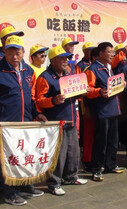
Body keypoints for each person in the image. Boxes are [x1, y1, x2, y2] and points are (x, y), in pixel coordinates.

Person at [0, 36, 47, 206]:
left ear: (23, 52)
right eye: (10, 52)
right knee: (9, 159)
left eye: (17, 52)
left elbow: (31, 97)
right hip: (4, 124)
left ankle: (27, 186)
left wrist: (37, 113)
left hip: (25, 123)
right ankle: (10, 193)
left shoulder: (29, 71)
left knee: (26, 154)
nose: (14, 56)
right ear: (4, 52)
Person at [35, 45, 88, 196]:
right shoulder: (45, 78)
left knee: (73, 151)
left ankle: (70, 177)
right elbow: (39, 100)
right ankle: (54, 183)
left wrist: (82, 93)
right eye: (62, 58)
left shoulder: (68, 75)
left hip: (71, 119)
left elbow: (73, 95)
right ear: (52, 60)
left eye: (67, 58)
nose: (66, 61)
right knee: (59, 154)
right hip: (56, 122)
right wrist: (53, 100)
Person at [85, 42, 126, 181]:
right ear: (101, 53)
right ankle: (96, 169)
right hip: (102, 111)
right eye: (109, 52)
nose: (112, 54)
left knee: (113, 140)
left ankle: (111, 164)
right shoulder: (92, 69)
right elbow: (87, 90)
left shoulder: (109, 67)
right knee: (100, 141)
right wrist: (99, 92)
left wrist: (121, 85)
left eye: (113, 52)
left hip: (114, 109)